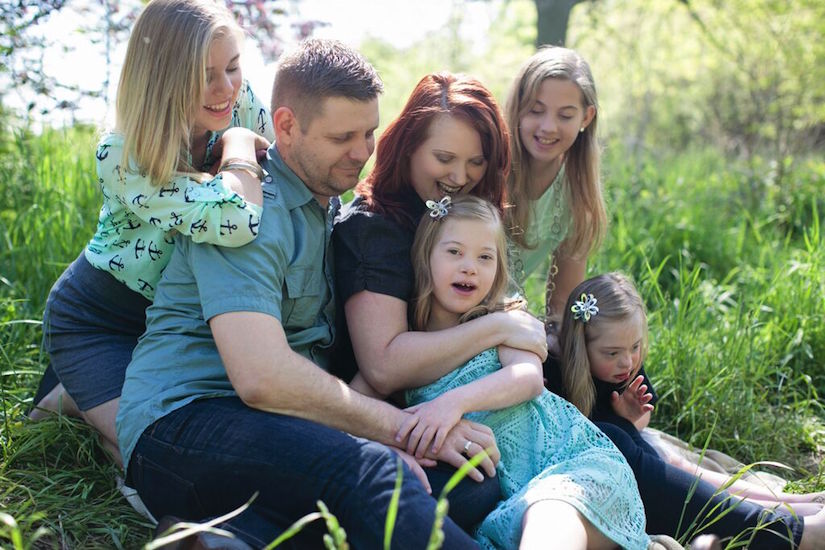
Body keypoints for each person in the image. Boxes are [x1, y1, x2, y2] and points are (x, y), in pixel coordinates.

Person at [116, 39, 503, 549]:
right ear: (287, 126)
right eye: (343, 137)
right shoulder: (247, 213)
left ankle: (224, 540)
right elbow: (262, 379)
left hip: (275, 427)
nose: (363, 153)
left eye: (369, 133)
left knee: (465, 484)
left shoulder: (327, 208)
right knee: (374, 475)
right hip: (185, 423)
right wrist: (395, 430)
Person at [31, 0, 273, 466]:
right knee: (149, 447)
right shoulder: (121, 153)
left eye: (233, 67)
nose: (225, 88)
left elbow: (286, 174)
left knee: (182, 432)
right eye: (206, 75)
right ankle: (79, 395)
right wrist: (240, 147)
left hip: (176, 319)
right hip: (98, 318)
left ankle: (76, 394)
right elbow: (238, 220)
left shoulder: (239, 102)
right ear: (164, 77)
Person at [398, 195, 650, 550]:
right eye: (454, 252)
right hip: (509, 503)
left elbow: (528, 379)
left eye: (485, 257)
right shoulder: (407, 347)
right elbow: (359, 402)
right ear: (425, 256)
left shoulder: (501, 322)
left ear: (499, 269)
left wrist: (451, 404)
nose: (470, 267)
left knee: (548, 517)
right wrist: (393, 443)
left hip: (572, 468)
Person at [555, 272, 825, 549]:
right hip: (604, 467)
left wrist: (631, 417)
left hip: (631, 445)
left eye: (635, 347)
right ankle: (786, 524)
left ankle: (794, 504)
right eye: (612, 353)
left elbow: (644, 413)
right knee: (668, 463)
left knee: (677, 464)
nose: (627, 361)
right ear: (581, 345)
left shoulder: (624, 367)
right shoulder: (560, 376)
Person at [332, 71, 549, 399]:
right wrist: (499, 327)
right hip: (393, 411)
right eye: (444, 158)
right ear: (408, 148)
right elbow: (383, 368)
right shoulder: (373, 227)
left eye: (476, 162)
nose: (461, 177)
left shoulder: (464, 215)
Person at [503, 45, 605, 355]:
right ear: (517, 107)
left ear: (586, 117)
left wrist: (558, 346)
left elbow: (561, 307)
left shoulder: (578, 195)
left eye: (565, 115)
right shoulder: (490, 165)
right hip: (461, 313)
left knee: (607, 359)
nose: (548, 127)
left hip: (513, 323)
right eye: (535, 110)